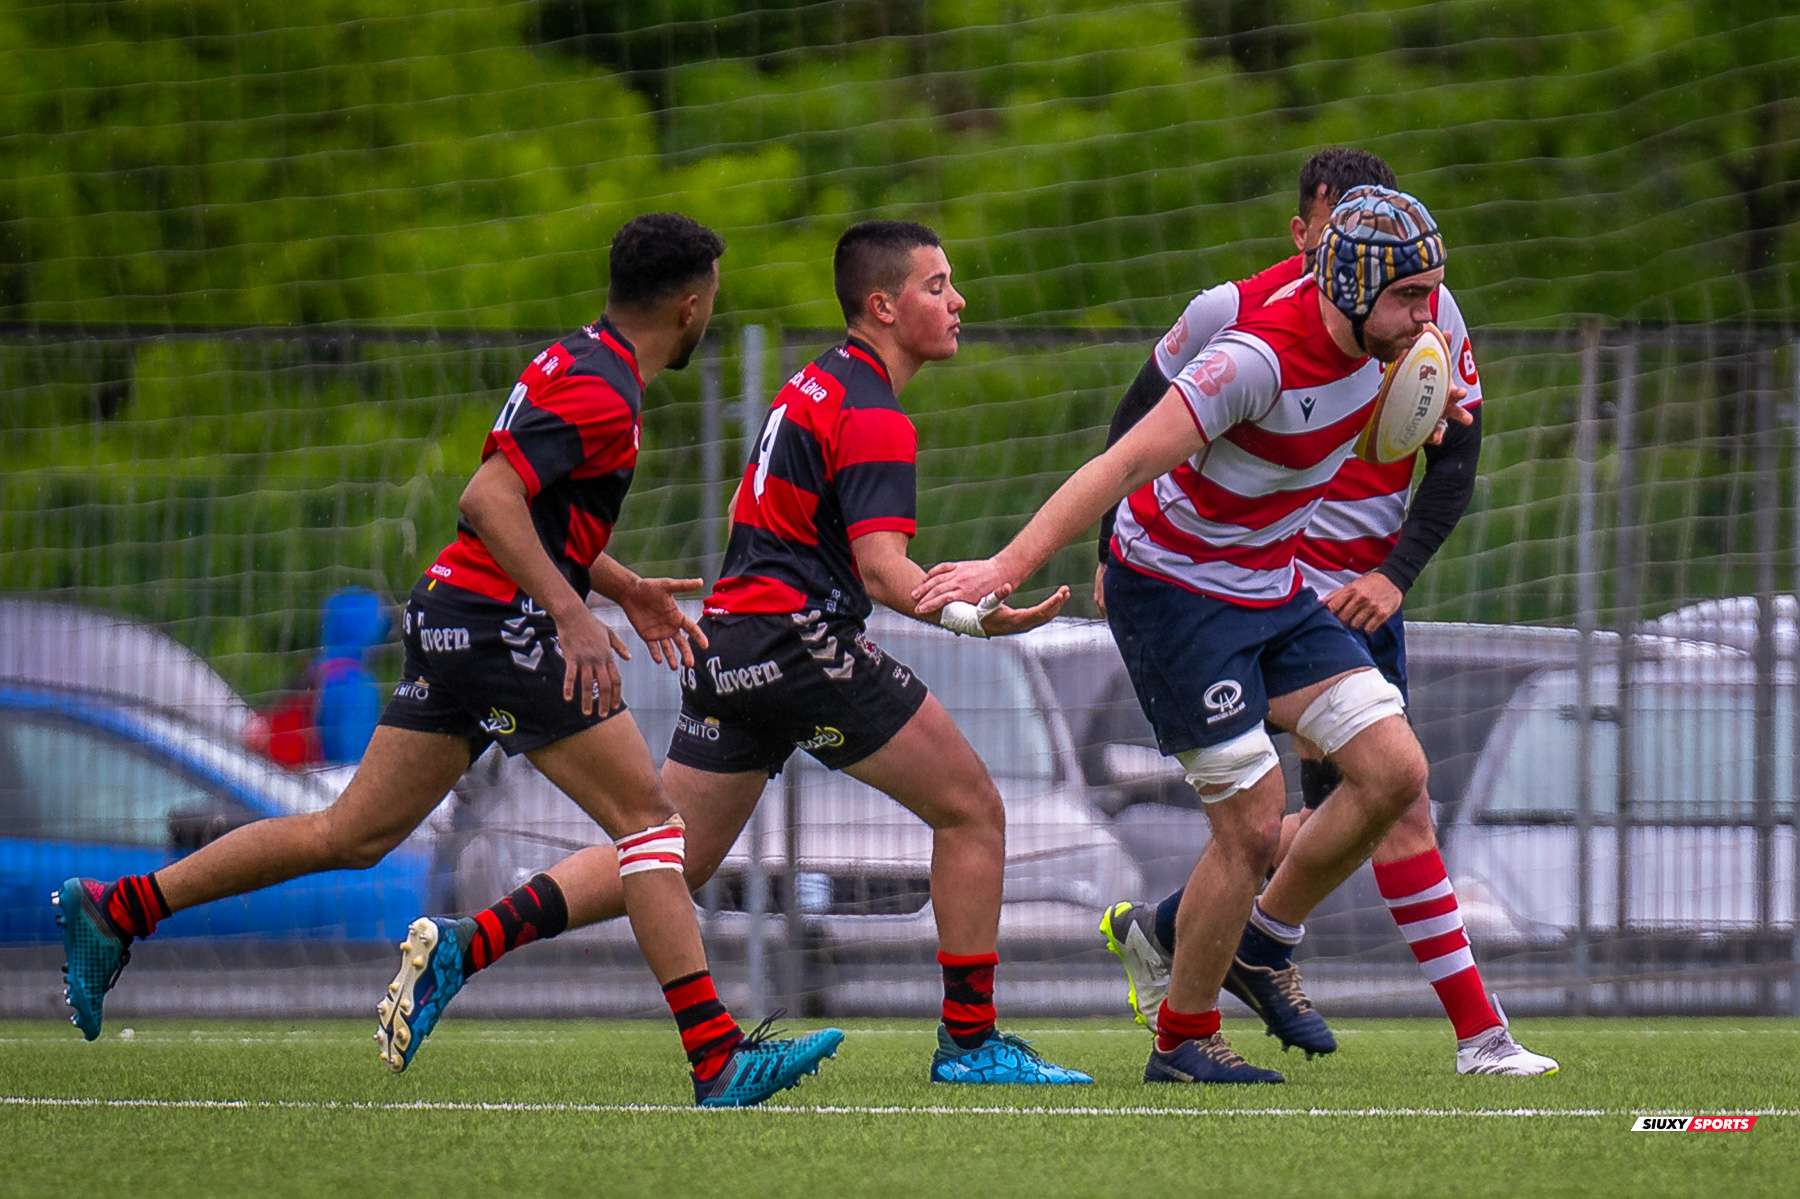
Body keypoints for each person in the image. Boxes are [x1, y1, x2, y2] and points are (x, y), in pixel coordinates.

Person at [54, 213, 843, 1109]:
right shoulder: (602, 390)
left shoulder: (580, 359)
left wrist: (615, 584)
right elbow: (488, 500)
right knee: (654, 826)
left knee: (349, 832)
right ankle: (717, 1058)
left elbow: (531, 516)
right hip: (500, 625)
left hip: (459, 615)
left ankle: (119, 910)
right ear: (693, 306)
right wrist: (567, 613)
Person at [376, 220, 1093, 1087]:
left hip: (728, 644)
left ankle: (469, 941)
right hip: (799, 646)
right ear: (884, 305)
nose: (958, 301)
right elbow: (883, 568)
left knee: (673, 852)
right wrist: (981, 616)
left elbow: (739, 522)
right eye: (938, 285)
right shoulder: (873, 412)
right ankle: (972, 1045)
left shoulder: (808, 386)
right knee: (974, 809)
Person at [916, 186, 1473, 1086]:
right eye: (1412, 296)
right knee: (1251, 822)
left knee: (1395, 769)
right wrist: (1004, 566)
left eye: (1434, 291)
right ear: (1353, 286)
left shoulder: (1399, 345)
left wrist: (1421, 412)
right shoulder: (1252, 357)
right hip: (1173, 594)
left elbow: (1356, 428)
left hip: (1273, 584)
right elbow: (1123, 460)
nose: (1430, 314)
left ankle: (1259, 942)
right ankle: (1183, 1037)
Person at [1093, 151, 1557, 1076]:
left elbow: (1456, 457)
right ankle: (1474, 1033)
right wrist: (1108, 546)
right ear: (1307, 231)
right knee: (1374, 804)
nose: (1337, 246)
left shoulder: (1421, 312)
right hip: (1255, 588)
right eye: (1323, 227)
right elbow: (1135, 427)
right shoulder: (1237, 319)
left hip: (1352, 595)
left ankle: (1199, 935)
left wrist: (1395, 572)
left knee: (1361, 801)